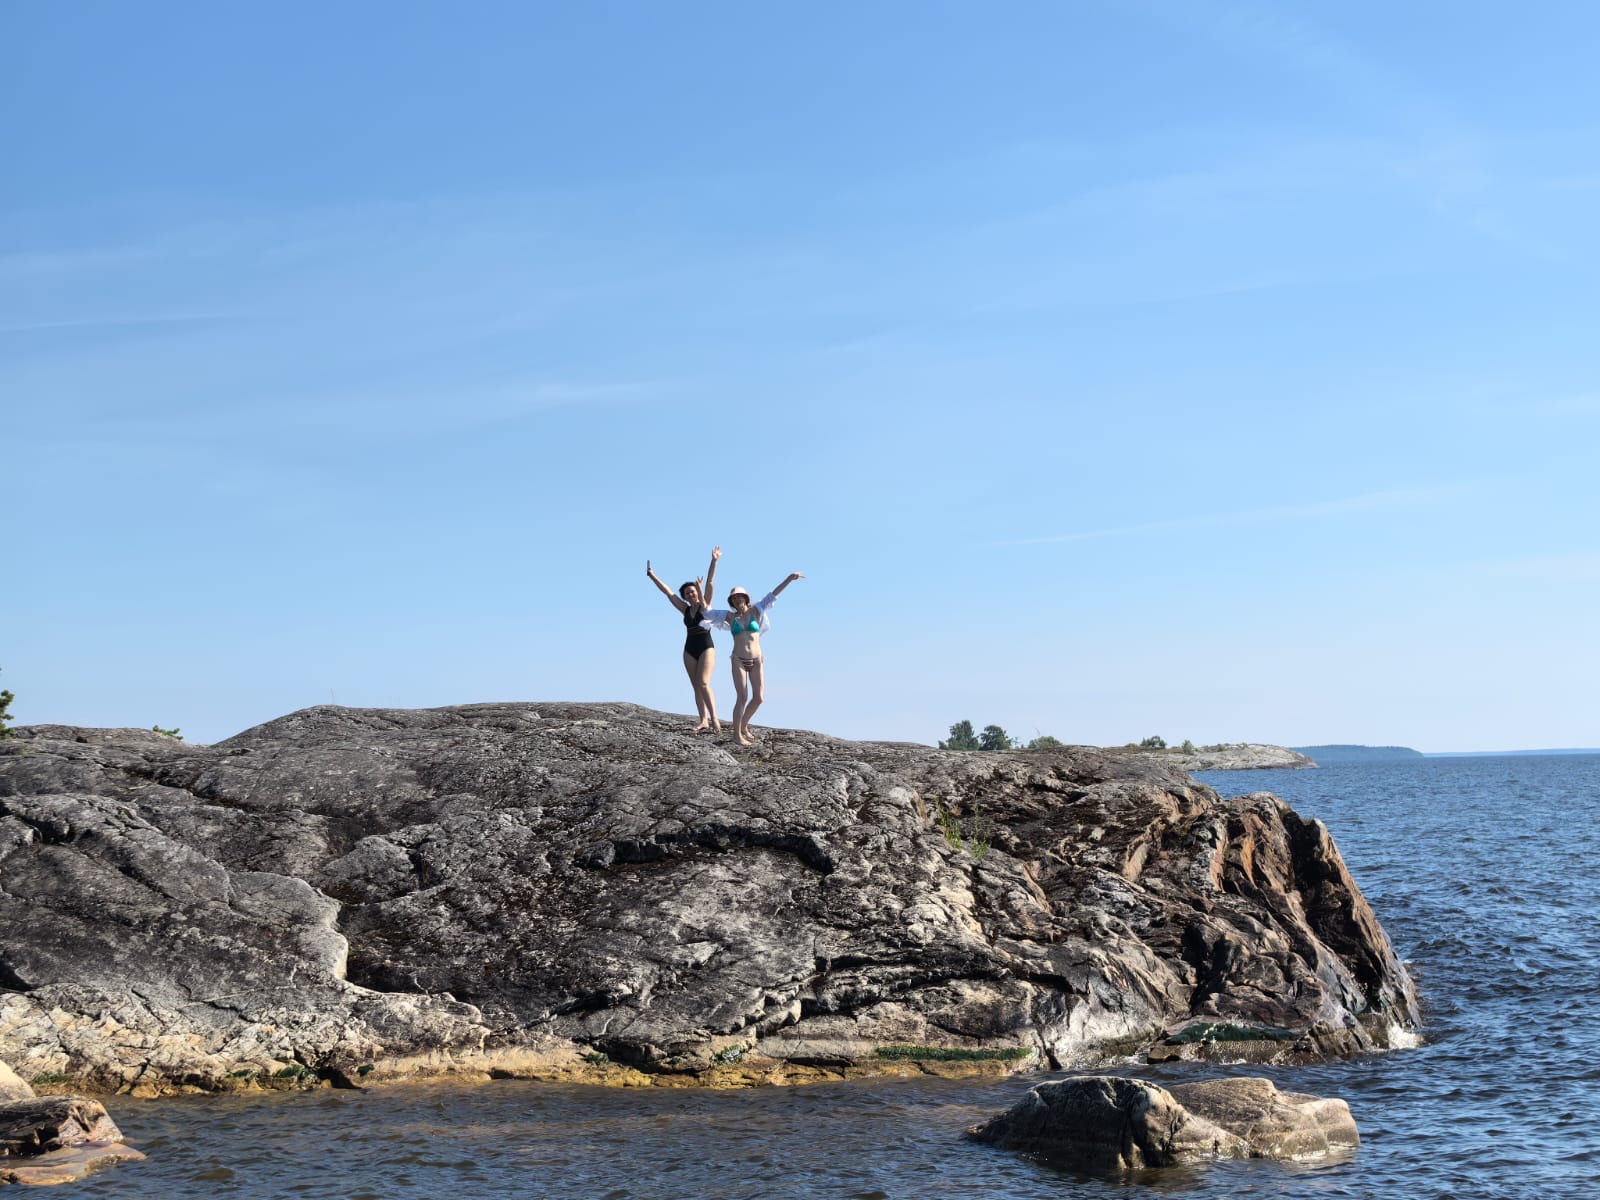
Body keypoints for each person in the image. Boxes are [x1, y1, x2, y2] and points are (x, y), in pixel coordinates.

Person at [702, 572, 804, 746]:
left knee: (758, 698)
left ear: (745, 598)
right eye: (733, 598)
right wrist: (701, 589)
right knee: (742, 696)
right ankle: (736, 735)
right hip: (738, 659)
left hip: (756, 659)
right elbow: (707, 612)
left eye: (739, 596)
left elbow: (773, 594)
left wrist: (789, 578)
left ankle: (743, 726)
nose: (737, 600)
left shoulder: (756, 610)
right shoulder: (729, 616)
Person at [645, 547, 722, 733]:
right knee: (696, 685)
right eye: (687, 593)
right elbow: (668, 592)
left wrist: (714, 561)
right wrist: (652, 576)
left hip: (706, 647)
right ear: (685, 597)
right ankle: (703, 720)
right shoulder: (685, 609)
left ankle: (714, 718)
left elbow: (710, 582)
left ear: (697, 592)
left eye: (693, 591)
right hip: (689, 648)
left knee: (704, 682)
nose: (690, 594)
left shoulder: (705, 606)